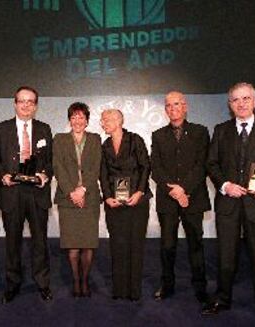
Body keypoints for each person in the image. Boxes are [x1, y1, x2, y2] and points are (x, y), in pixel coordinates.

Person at [204, 82, 255, 325]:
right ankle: (222, 298)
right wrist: (225, 185)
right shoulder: (221, 130)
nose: (241, 103)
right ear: (230, 105)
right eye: (236, 100)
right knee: (226, 255)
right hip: (228, 204)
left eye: (246, 98)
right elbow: (211, 164)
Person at [0, 86, 53, 303]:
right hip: (12, 193)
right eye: (22, 101)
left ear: (35, 105)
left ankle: (43, 283)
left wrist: (45, 176)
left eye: (30, 102)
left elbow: (50, 162)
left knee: (40, 242)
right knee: (12, 243)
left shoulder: (45, 129)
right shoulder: (0, 129)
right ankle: (12, 284)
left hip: (37, 193)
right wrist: (2, 176)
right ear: (15, 103)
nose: (26, 105)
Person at [151, 91, 211, 305]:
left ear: (185, 107)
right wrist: (175, 192)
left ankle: (200, 288)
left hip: (193, 197)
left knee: (196, 244)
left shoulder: (201, 132)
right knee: (167, 245)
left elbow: (202, 165)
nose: (172, 108)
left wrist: (184, 189)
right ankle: (167, 285)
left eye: (176, 104)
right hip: (167, 200)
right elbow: (155, 169)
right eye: (168, 105)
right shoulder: (158, 135)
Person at [100, 109, 152, 302]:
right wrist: (106, 197)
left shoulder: (135, 140)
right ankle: (119, 289)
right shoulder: (104, 145)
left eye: (105, 120)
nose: (102, 123)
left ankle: (134, 291)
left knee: (135, 245)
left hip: (137, 202)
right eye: (102, 120)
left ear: (118, 120)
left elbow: (146, 166)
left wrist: (139, 192)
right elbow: (102, 173)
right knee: (117, 245)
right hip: (114, 203)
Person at [53, 102, 101, 298]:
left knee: (88, 244)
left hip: (89, 197)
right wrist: (72, 192)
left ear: (87, 120)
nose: (78, 121)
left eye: (81, 117)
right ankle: (75, 280)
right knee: (73, 246)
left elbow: (95, 167)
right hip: (67, 199)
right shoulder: (59, 139)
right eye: (74, 117)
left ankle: (85, 280)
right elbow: (58, 167)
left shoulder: (96, 139)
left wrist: (82, 189)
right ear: (69, 119)